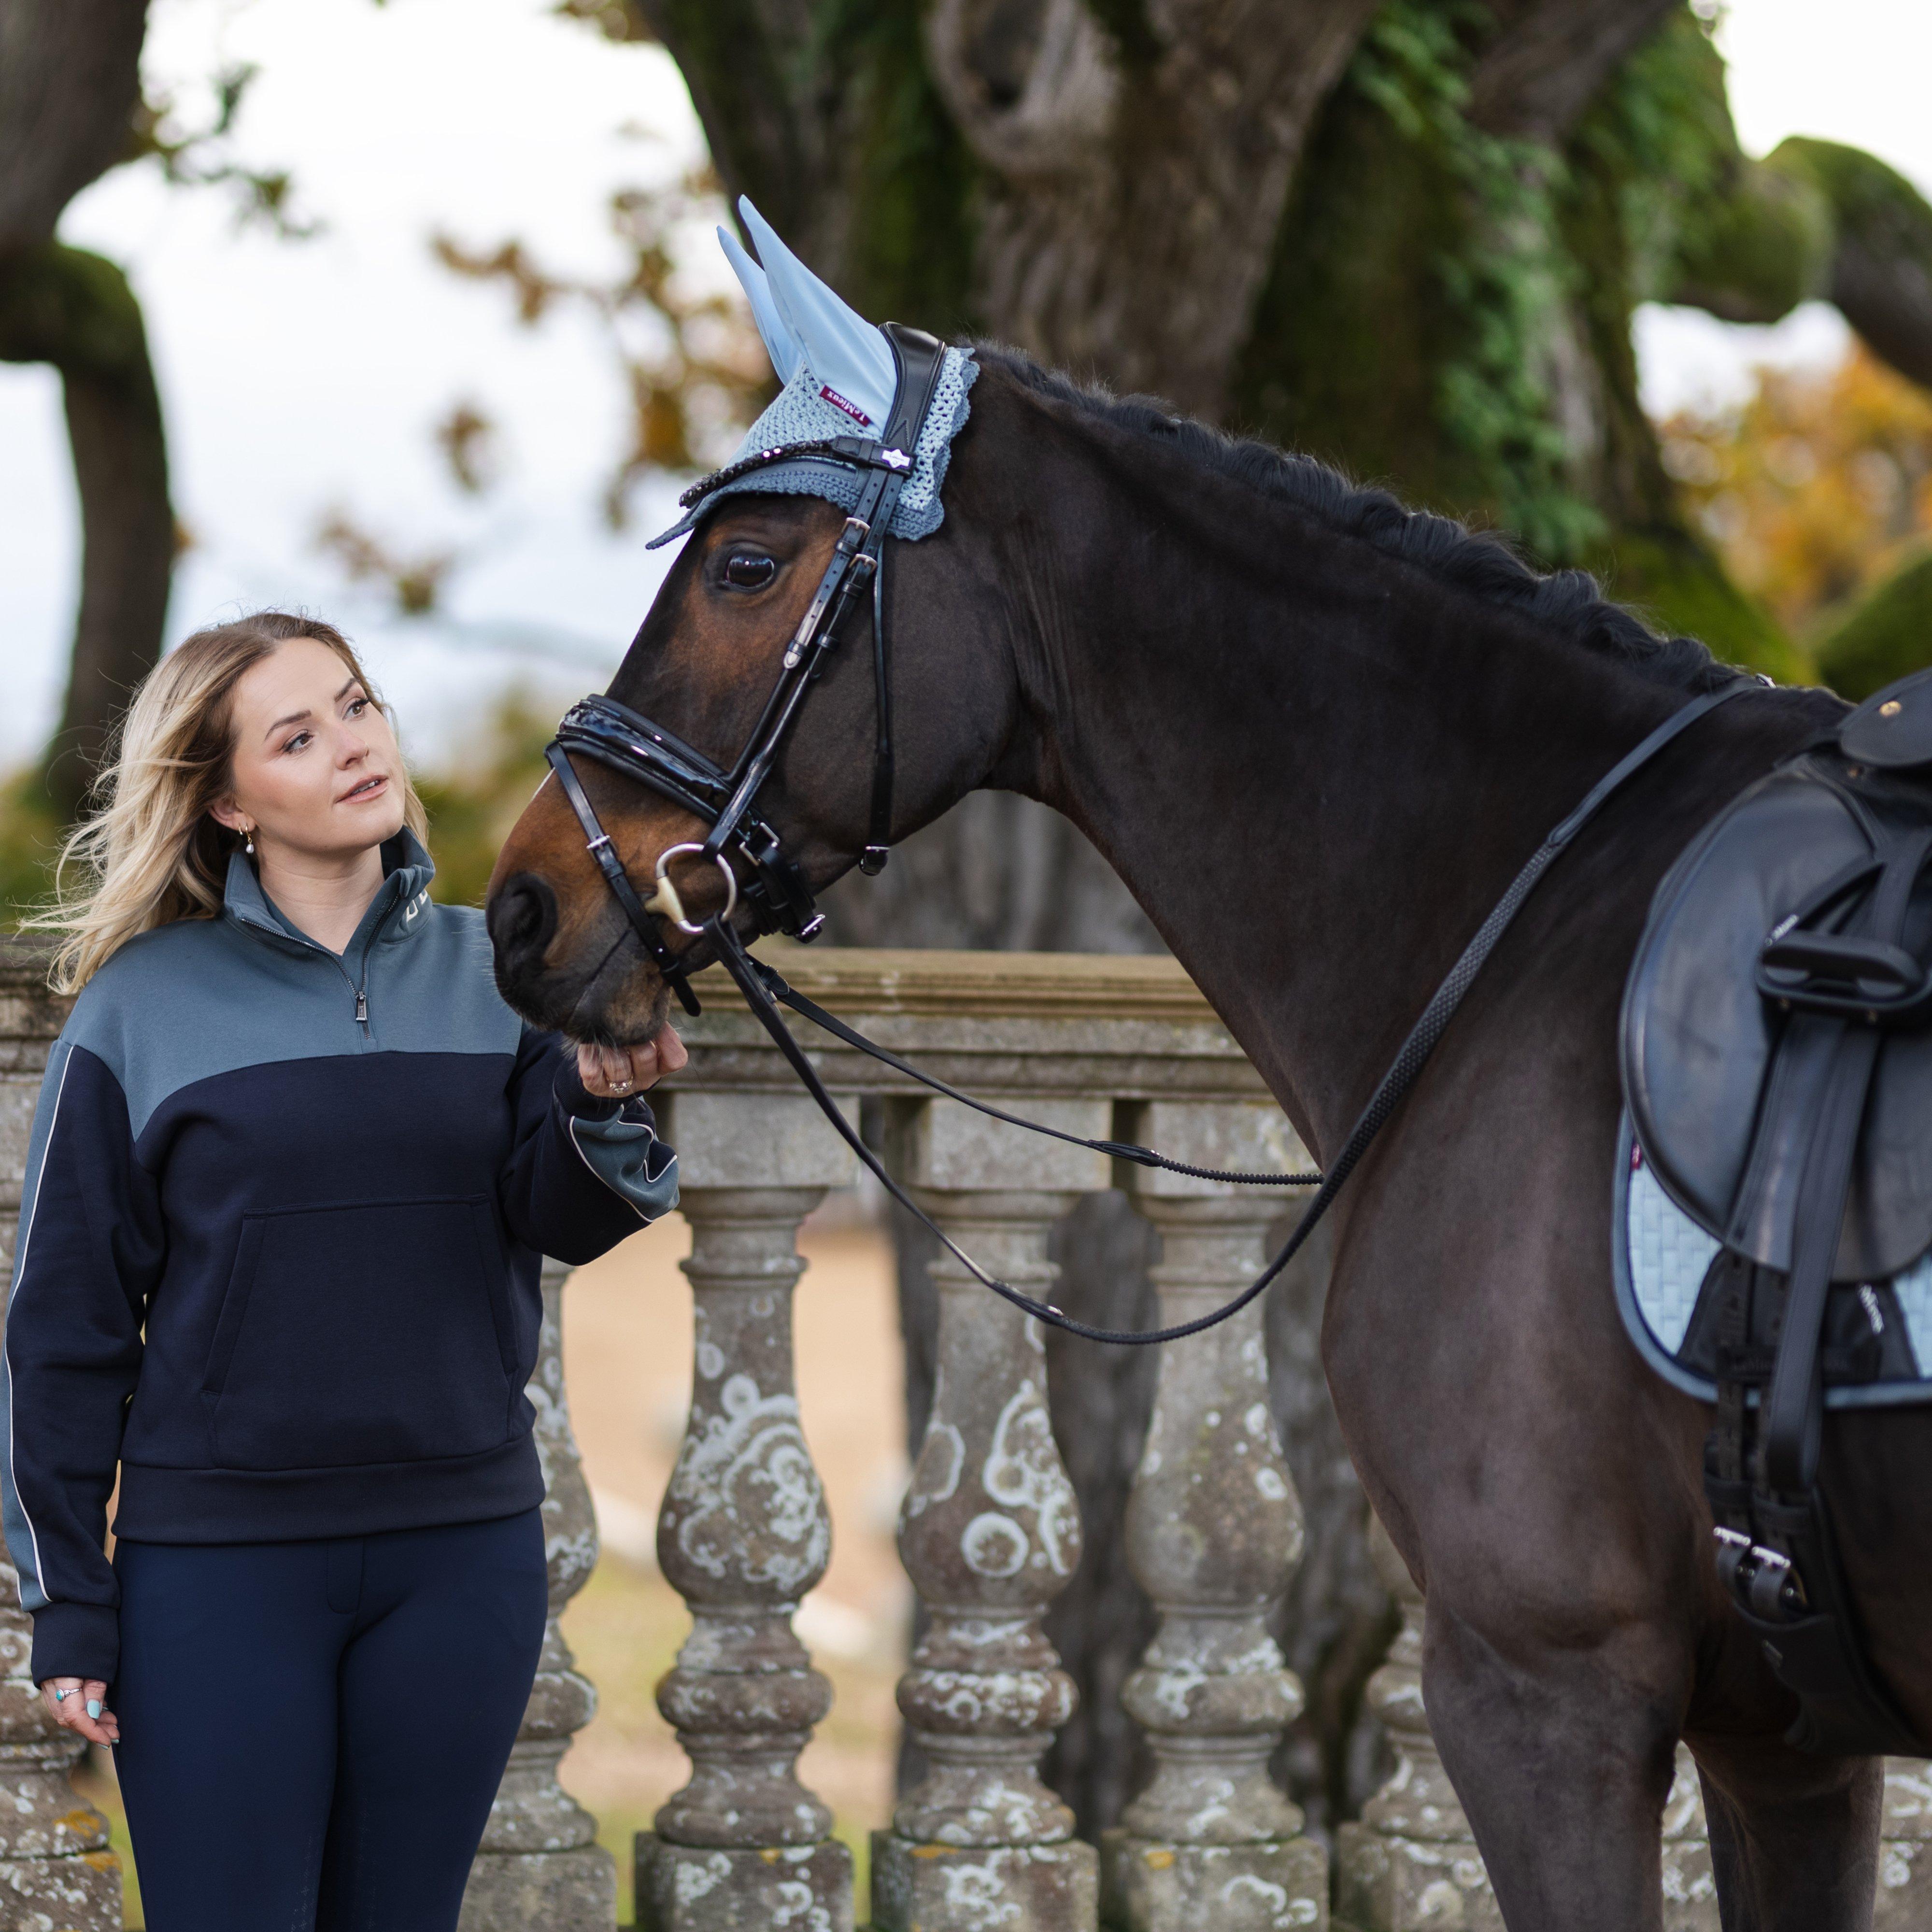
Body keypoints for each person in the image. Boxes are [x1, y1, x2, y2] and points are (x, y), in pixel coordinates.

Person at [3, 611, 684, 1929]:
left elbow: (556, 1215)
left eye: (359, 707)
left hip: (459, 1555)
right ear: (223, 803)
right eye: (296, 735)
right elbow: (65, 1333)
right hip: (218, 1573)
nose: (353, 746)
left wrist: (604, 1104)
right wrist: (72, 1607)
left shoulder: (504, 971)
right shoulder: (140, 1008)